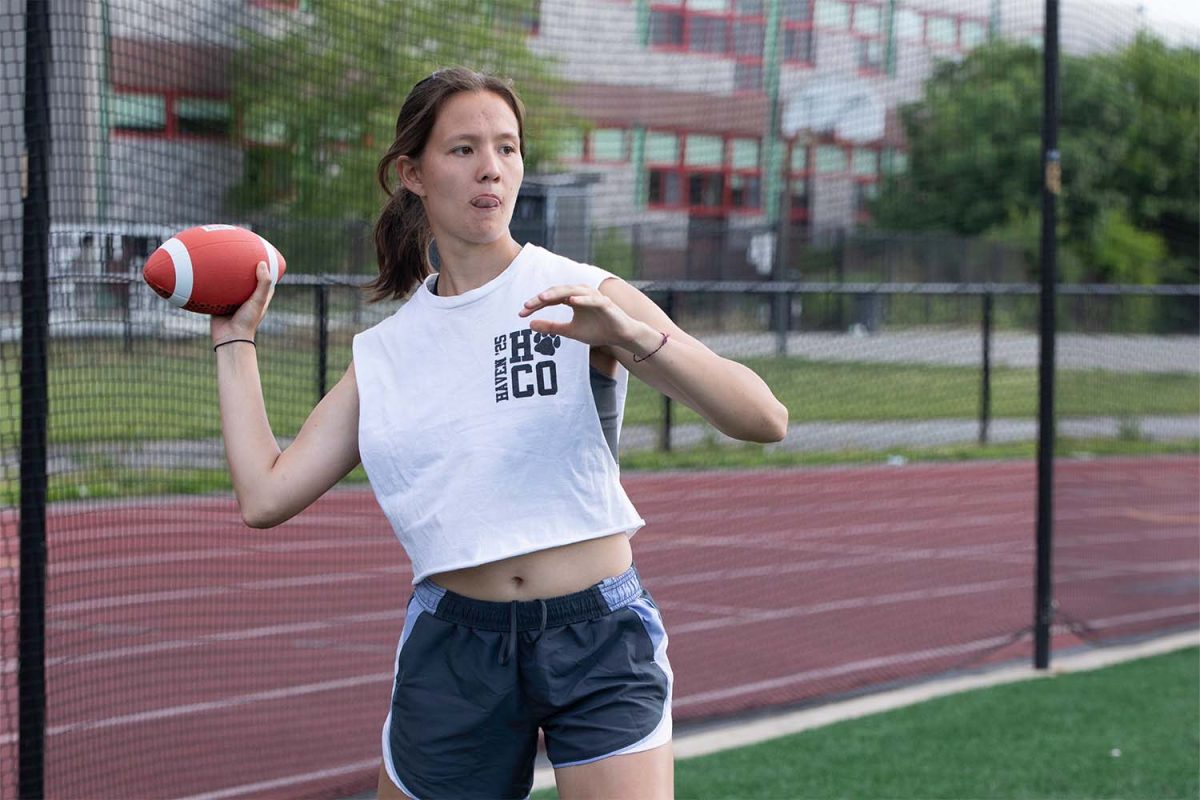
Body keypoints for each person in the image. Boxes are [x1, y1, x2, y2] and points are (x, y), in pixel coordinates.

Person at [211, 67, 788, 800]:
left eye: (508, 148)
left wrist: (631, 334)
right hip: (455, 647)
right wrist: (236, 342)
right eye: (463, 150)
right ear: (411, 173)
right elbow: (264, 495)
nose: (492, 168)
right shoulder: (386, 354)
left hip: (597, 635)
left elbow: (762, 418)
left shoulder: (582, 292)